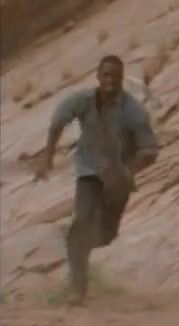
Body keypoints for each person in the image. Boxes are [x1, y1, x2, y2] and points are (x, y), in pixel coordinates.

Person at [34, 55, 159, 306]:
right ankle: (77, 289)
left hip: (119, 178)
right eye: (106, 75)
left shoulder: (133, 111)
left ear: (122, 79)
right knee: (82, 222)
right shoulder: (83, 100)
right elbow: (58, 121)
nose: (110, 81)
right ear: (98, 76)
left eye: (115, 76)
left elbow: (149, 151)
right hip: (89, 171)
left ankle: (77, 243)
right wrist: (47, 155)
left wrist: (126, 173)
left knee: (106, 235)